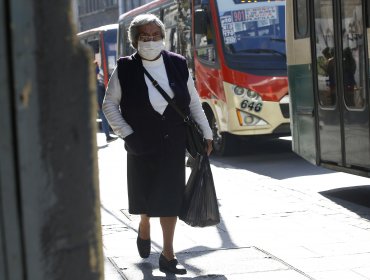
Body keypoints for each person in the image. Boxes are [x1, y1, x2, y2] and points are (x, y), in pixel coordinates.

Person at [102, 14, 213, 275]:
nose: (151, 40)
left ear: (163, 37)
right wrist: (127, 134)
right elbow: (109, 105)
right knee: (145, 195)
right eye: (145, 37)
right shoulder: (125, 68)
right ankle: (144, 223)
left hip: (173, 143)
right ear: (135, 41)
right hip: (140, 143)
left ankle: (168, 254)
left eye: (155, 36)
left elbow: (193, 102)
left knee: (169, 198)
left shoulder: (177, 64)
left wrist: (207, 133)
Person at [94, 60, 117, 143]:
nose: (98, 69)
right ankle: (107, 136)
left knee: (105, 118)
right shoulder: (94, 82)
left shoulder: (98, 81)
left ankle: (108, 136)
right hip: (99, 104)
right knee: (104, 118)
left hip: (101, 103)